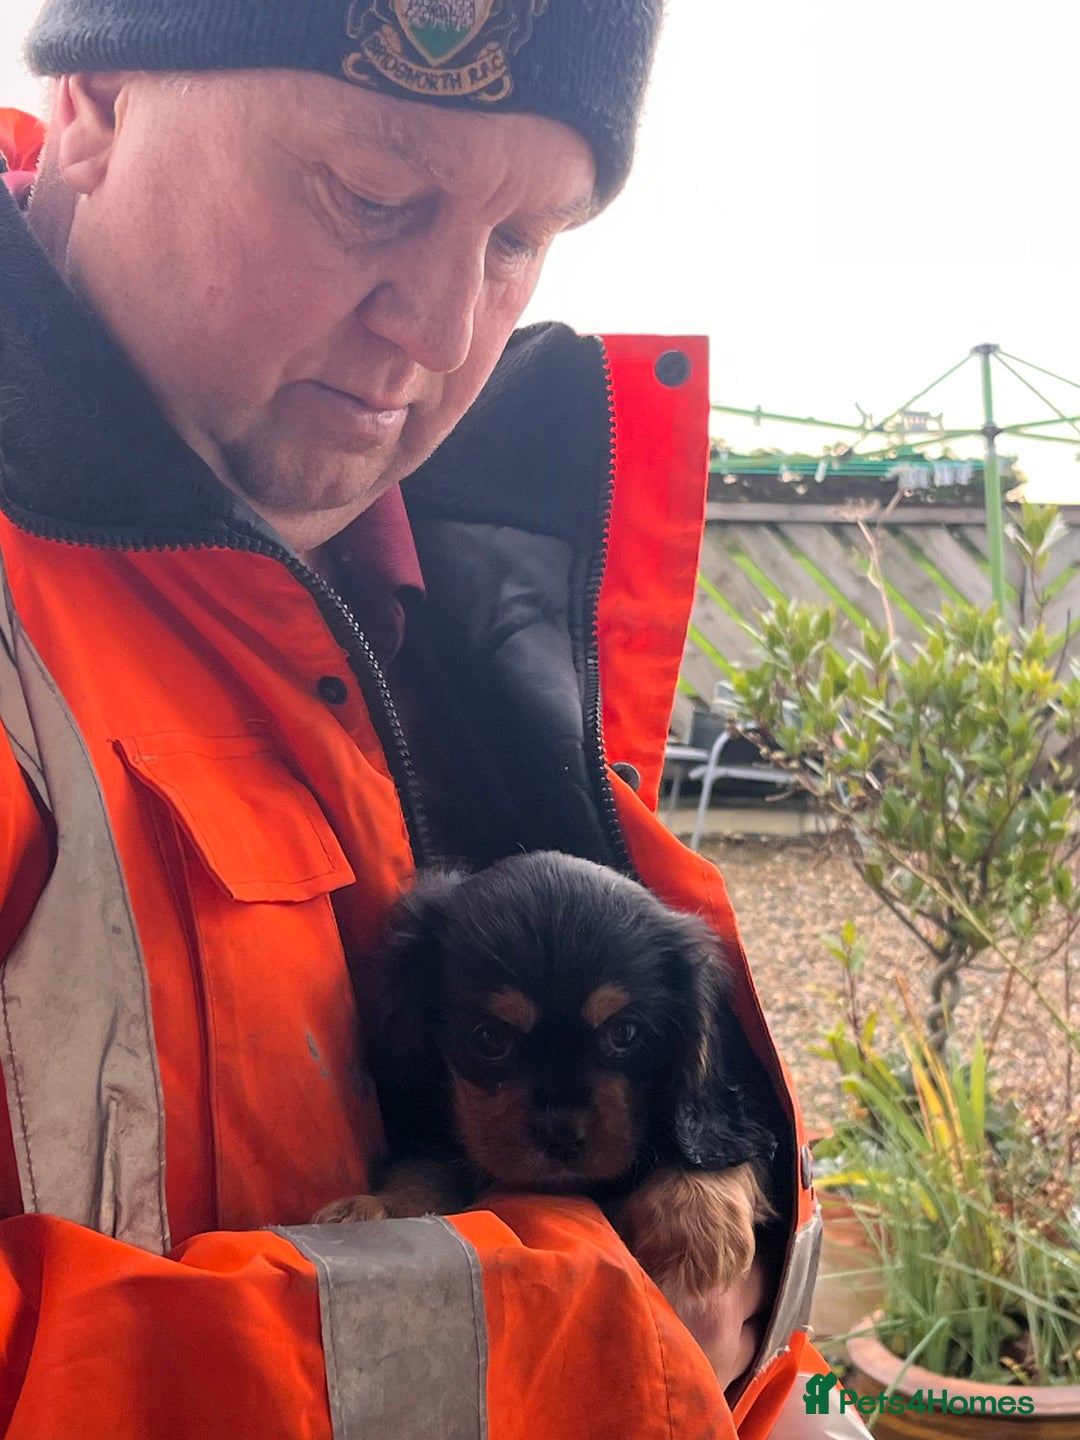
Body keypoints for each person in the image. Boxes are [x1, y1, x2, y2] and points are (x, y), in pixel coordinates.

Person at [0, 2, 867, 1436]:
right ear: (96, 96)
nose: (446, 332)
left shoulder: (473, 578)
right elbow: (642, 1333)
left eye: (521, 239)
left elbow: (726, 1301)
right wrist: (579, 1336)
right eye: (370, 193)